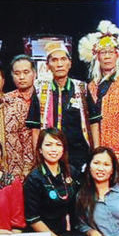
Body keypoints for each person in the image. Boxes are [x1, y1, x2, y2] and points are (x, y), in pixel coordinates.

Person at [79, 20, 119, 174]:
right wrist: (97, 154)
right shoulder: (91, 86)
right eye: (103, 52)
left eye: (111, 52)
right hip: (102, 154)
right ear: (97, 56)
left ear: (117, 55)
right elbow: (94, 122)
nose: (107, 56)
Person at [24, 128, 90, 236]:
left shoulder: (71, 171)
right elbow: (33, 219)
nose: (54, 149)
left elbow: (89, 190)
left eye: (58, 144)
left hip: (67, 232)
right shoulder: (34, 178)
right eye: (48, 145)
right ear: (40, 150)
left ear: (64, 149)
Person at [27, 42, 92, 172]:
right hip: (51, 155)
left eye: (63, 59)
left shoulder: (82, 88)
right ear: (47, 65)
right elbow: (35, 127)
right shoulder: (40, 90)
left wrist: (95, 151)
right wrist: (37, 156)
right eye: (54, 60)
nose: (59, 64)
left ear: (70, 63)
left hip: (78, 154)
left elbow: (94, 122)